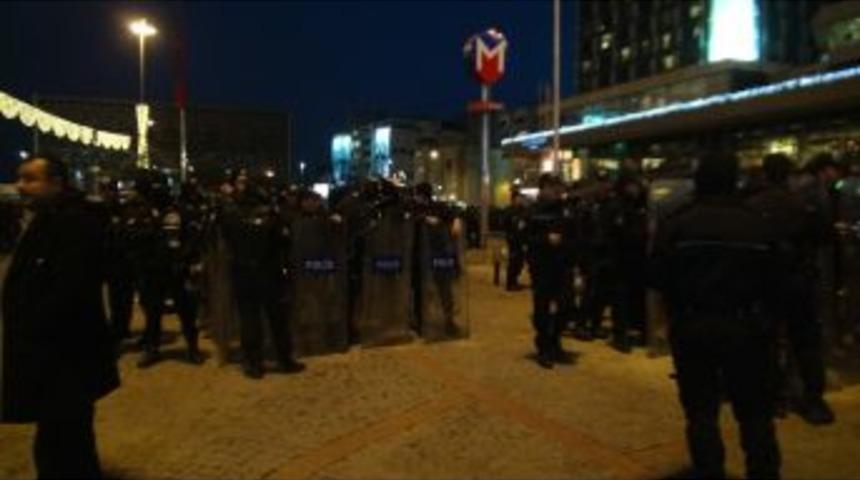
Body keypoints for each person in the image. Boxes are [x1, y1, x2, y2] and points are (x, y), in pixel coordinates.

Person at [652, 153, 782, 479]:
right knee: (755, 413)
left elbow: (656, 276)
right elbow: (779, 280)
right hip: (747, 327)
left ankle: (710, 471)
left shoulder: (678, 223)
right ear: (735, 180)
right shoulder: (757, 223)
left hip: (693, 326)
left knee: (701, 413)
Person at [1, 153, 119, 479]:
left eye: (30, 179)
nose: (20, 186)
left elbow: (70, 295)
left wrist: (35, 331)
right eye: (19, 178)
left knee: (65, 442)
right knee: (58, 440)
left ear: (57, 183)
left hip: (66, 361)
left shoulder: (74, 224)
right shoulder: (47, 219)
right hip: (51, 361)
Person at [747, 153, 835, 426]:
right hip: (799, 281)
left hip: (764, 282)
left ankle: (773, 397)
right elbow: (825, 237)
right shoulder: (804, 203)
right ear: (789, 175)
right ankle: (813, 400)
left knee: (767, 341)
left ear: (765, 174)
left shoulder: (753, 205)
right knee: (806, 342)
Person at [222, 174, 304, 379]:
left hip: (243, 273)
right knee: (277, 319)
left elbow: (226, 241)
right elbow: (285, 241)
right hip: (269, 273)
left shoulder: (231, 216)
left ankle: (253, 364)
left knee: (249, 319)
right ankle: (284, 360)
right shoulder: (272, 216)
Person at [526, 173, 575, 369]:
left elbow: (576, 234)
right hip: (542, 266)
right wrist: (546, 239)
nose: (557, 191)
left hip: (563, 265)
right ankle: (544, 347)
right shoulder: (533, 211)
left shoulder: (566, 210)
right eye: (553, 187)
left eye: (559, 187)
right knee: (542, 308)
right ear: (544, 188)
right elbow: (525, 237)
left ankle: (555, 339)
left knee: (567, 305)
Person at [607, 174, 649, 352]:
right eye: (632, 185)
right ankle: (620, 335)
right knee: (621, 299)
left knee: (637, 297)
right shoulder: (617, 207)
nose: (635, 189)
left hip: (638, 260)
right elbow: (618, 233)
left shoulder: (642, 205)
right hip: (621, 260)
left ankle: (637, 330)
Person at [504, 190, 528, 291]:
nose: (521, 200)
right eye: (519, 198)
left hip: (522, 239)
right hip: (513, 239)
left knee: (520, 262)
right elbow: (505, 224)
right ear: (514, 199)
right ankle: (510, 283)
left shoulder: (523, 210)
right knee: (513, 261)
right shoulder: (509, 210)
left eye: (521, 198)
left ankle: (515, 281)